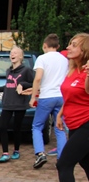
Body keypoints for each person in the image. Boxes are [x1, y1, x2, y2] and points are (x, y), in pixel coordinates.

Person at [43, 33, 89, 182]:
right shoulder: (72, 69)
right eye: (69, 44)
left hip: (87, 124)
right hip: (74, 124)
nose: (68, 47)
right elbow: (70, 95)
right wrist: (60, 113)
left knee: (64, 163)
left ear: (84, 50)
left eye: (74, 45)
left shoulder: (86, 72)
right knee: (87, 164)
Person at [30, 33, 69, 169]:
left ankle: (40, 153)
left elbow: (38, 78)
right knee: (60, 127)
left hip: (46, 96)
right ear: (58, 46)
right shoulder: (64, 60)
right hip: (61, 96)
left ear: (44, 45)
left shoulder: (42, 58)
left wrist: (33, 96)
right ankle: (61, 158)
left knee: (37, 126)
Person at [0, 46, 33, 163]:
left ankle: (16, 150)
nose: (12, 55)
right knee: (2, 126)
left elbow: (33, 83)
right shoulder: (8, 71)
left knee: (17, 128)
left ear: (21, 56)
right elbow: (9, 85)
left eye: (15, 53)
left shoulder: (26, 70)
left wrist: (23, 84)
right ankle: (5, 153)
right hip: (7, 103)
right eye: (11, 53)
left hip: (19, 103)